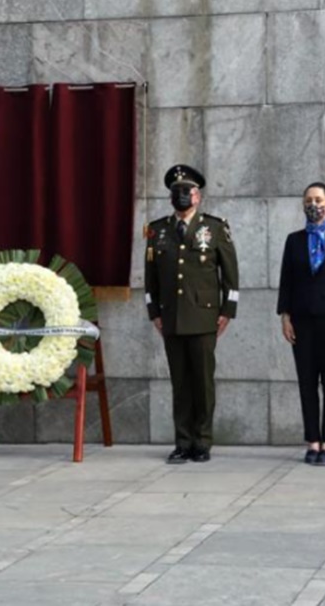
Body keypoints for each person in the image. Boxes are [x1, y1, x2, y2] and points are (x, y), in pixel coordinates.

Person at [145, 164, 239, 464]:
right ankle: (182, 442)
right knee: (180, 384)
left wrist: (227, 311)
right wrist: (154, 313)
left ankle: (202, 442)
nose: (182, 196)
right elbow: (151, 280)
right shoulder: (158, 231)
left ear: (198, 196)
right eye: (176, 192)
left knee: (202, 383)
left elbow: (231, 277)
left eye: (187, 191)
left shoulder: (214, 228)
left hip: (204, 318)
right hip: (170, 318)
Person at [277, 182, 325, 466]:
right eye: (309, 200)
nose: (314, 204)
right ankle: (312, 441)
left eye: (319, 199)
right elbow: (286, 281)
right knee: (307, 383)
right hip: (301, 322)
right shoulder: (293, 240)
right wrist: (285, 317)